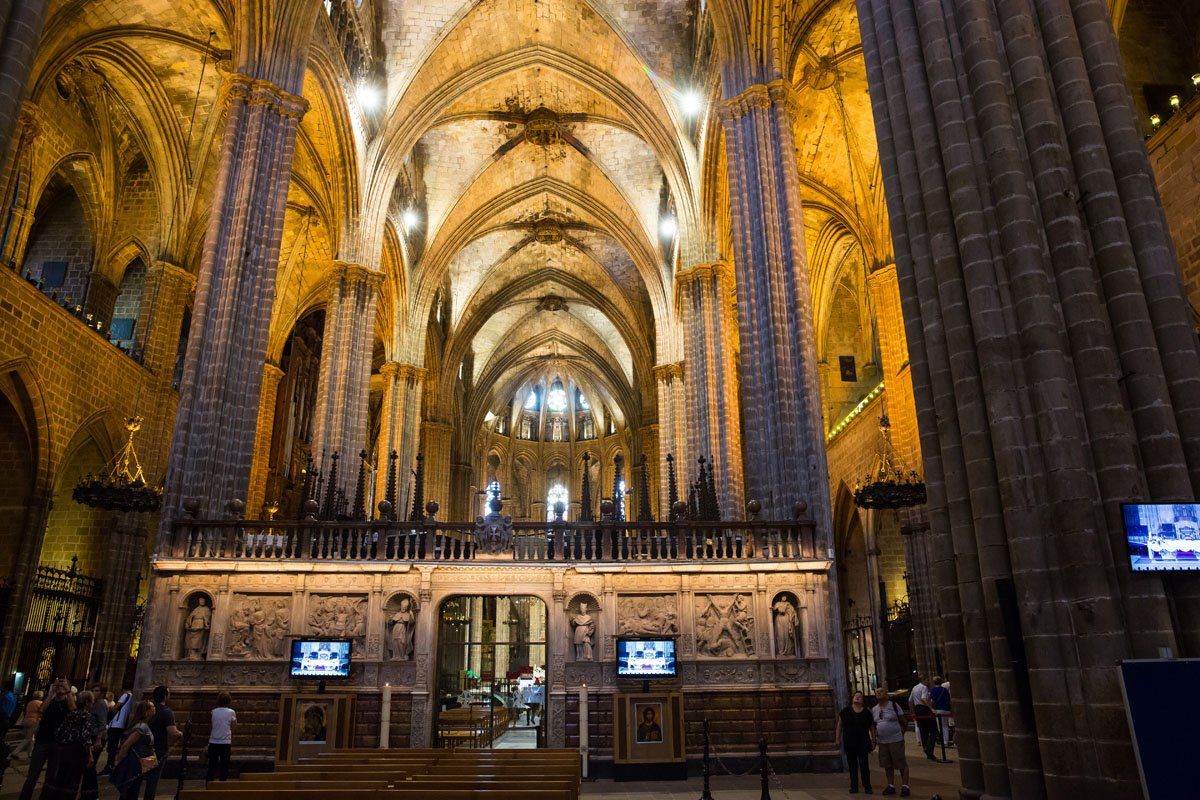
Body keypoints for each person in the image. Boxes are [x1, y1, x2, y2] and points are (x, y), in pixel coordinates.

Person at [18, 677, 76, 800]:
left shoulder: (68, 701)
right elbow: (41, 710)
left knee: (51, 776)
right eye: (58, 685)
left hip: (58, 743)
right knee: (32, 775)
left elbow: (73, 710)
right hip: (43, 740)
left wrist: (67, 691)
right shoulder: (50, 700)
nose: (60, 687)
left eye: (63, 685)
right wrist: (52, 692)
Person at [40, 689, 102, 800]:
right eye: (92, 702)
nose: (93, 704)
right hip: (78, 752)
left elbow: (60, 732)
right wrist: (90, 755)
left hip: (65, 750)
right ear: (87, 702)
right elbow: (85, 738)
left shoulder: (71, 714)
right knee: (73, 781)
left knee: (61, 778)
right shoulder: (87, 717)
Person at [110, 700, 155, 800]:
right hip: (135, 763)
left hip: (141, 762)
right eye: (152, 707)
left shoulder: (144, 725)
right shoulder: (141, 727)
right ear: (146, 711)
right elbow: (126, 745)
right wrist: (118, 761)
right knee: (131, 790)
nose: (154, 708)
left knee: (133, 789)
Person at [142, 686, 181, 800]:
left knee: (141, 776)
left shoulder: (148, 708)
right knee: (152, 778)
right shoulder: (166, 712)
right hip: (158, 750)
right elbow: (172, 732)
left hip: (145, 747)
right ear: (165, 696)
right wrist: (180, 734)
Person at [872, 686, 910, 797]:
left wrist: (900, 734)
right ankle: (890, 785)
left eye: (881, 691)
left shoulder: (894, 705)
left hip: (895, 739)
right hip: (882, 741)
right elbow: (874, 725)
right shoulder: (874, 709)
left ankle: (905, 786)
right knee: (887, 764)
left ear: (886, 694)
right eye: (877, 692)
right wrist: (875, 738)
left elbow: (904, 722)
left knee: (901, 762)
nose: (878, 693)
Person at [836, 690, 874, 794]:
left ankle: (867, 786)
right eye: (856, 696)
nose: (857, 698)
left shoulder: (866, 712)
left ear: (862, 700)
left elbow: (871, 727)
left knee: (864, 765)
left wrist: (874, 739)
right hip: (850, 741)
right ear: (852, 698)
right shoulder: (845, 711)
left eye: (860, 697)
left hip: (863, 741)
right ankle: (854, 786)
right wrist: (837, 739)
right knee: (852, 765)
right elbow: (839, 725)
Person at [206, 692, 236, 784]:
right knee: (224, 765)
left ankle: (209, 783)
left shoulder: (213, 712)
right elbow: (234, 725)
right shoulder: (231, 712)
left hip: (213, 741)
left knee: (212, 764)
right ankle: (222, 784)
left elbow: (211, 725)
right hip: (225, 742)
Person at [101, 687, 133, 774]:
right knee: (117, 746)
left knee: (112, 747)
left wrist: (109, 707)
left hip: (116, 724)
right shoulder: (132, 697)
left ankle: (109, 766)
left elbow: (116, 707)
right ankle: (114, 765)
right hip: (123, 725)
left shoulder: (126, 695)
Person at [909, 676, 937, 760]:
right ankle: (929, 748)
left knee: (923, 731)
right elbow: (924, 698)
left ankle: (927, 751)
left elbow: (910, 701)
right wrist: (931, 708)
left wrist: (913, 712)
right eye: (928, 680)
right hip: (924, 709)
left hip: (917, 710)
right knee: (933, 730)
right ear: (924, 680)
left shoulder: (914, 688)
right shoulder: (924, 687)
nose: (929, 682)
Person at [12, 691, 44, 762]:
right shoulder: (40, 703)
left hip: (26, 720)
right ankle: (15, 752)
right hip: (34, 721)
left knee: (31, 738)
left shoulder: (30, 702)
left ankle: (30, 753)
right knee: (28, 738)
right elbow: (42, 712)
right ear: (40, 696)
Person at [930, 677, 952, 750]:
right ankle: (947, 740)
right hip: (946, 709)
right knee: (945, 725)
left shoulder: (933, 690)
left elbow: (932, 701)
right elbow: (949, 699)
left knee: (940, 726)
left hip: (939, 709)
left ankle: (944, 741)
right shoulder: (944, 689)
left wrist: (931, 707)